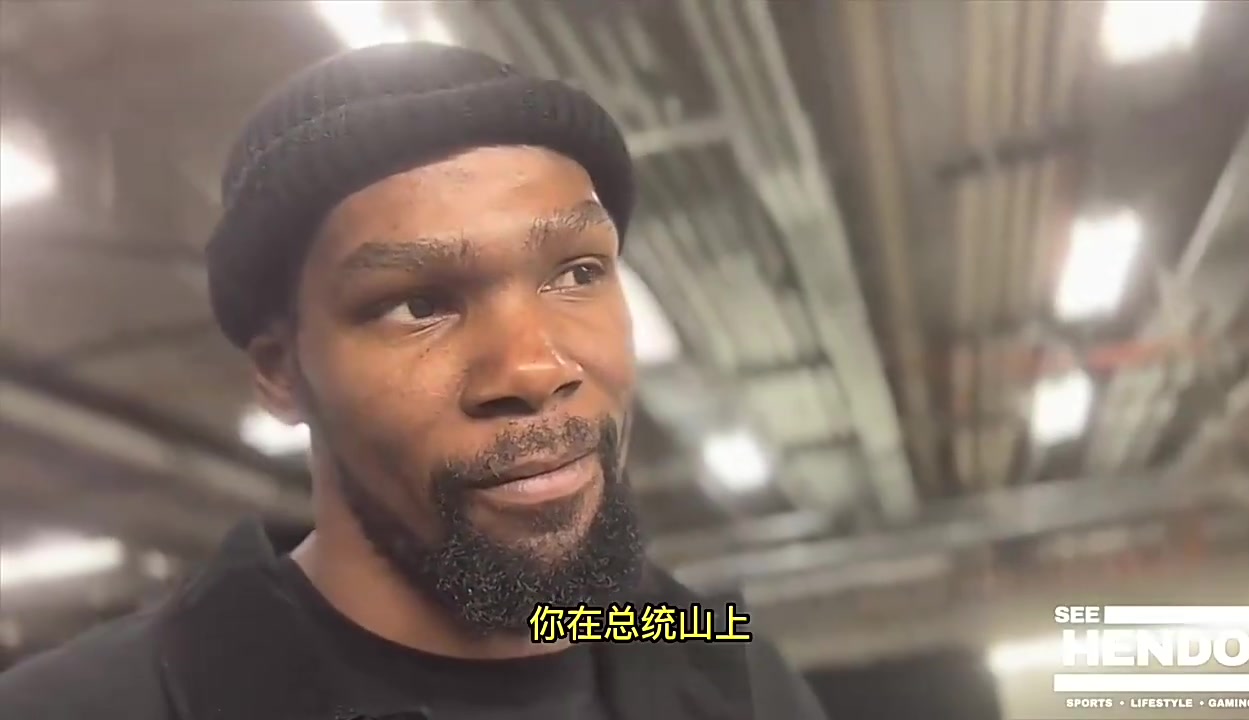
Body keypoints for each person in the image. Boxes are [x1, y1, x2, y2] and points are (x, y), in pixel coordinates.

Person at [0, 43, 827, 720]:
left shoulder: (717, 655)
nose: (535, 369)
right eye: (417, 304)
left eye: (577, 272)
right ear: (282, 374)